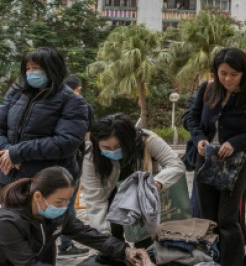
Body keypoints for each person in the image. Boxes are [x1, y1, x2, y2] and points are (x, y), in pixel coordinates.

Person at [184, 47, 246, 266]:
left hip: (235, 164)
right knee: (208, 219)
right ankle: (211, 260)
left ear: (244, 73)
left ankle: (233, 262)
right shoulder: (207, 90)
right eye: (223, 73)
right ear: (215, 72)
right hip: (206, 160)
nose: (228, 79)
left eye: (234, 74)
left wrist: (235, 143)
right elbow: (192, 120)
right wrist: (199, 139)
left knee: (227, 219)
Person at [0, 166, 150, 265]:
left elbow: (86, 233)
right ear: (38, 196)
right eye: (59, 201)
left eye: (68, 200)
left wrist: (125, 250)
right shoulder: (8, 223)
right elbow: (27, 264)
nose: (64, 207)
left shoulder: (57, 215)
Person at [81, 114, 186, 241]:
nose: (112, 151)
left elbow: (176, 165)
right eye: (106, 148)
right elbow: (95, 200)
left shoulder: (147, 139)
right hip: (112, 200)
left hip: (145, 199)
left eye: (118, 146)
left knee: (146, 240)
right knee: (113, 241)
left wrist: (157, 182)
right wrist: (104, 238)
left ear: (129, 141)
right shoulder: (91, 156)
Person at [0, 48, 89, 188]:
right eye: (27, 68)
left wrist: (18, 152)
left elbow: (65, 142)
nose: (30, 73)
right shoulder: (17, 93)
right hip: (9, 177)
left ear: (52, 69)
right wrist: (8, 152)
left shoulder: (72, 101)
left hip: (48, 182)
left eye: (35, 68)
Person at [57, 74, 96, 257]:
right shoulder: (83, 105)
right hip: (72, 161)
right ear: (78, 89)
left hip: (48, 162)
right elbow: (88, 138)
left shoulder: (52, 103)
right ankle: (65, 244)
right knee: (67, 202)